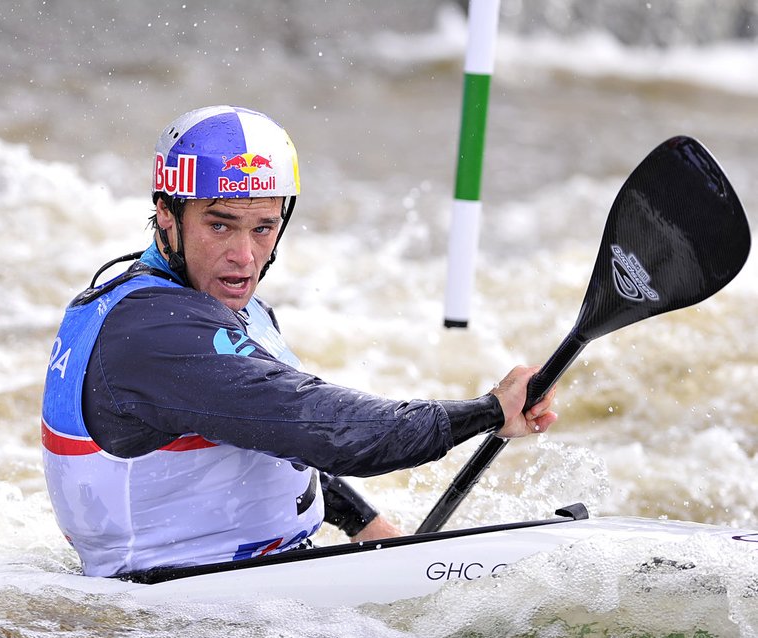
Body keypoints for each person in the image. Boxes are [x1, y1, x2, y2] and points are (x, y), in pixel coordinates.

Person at [41, 105, 557, 578]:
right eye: (220, 225)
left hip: (243, 580)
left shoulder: (216, 304)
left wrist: (368, 527)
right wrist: (489, 410)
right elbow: (331, 430)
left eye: (264, 228)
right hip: (172, 610)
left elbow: (268, 435)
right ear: (167, 219)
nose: (245, 256)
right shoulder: (154, 332)